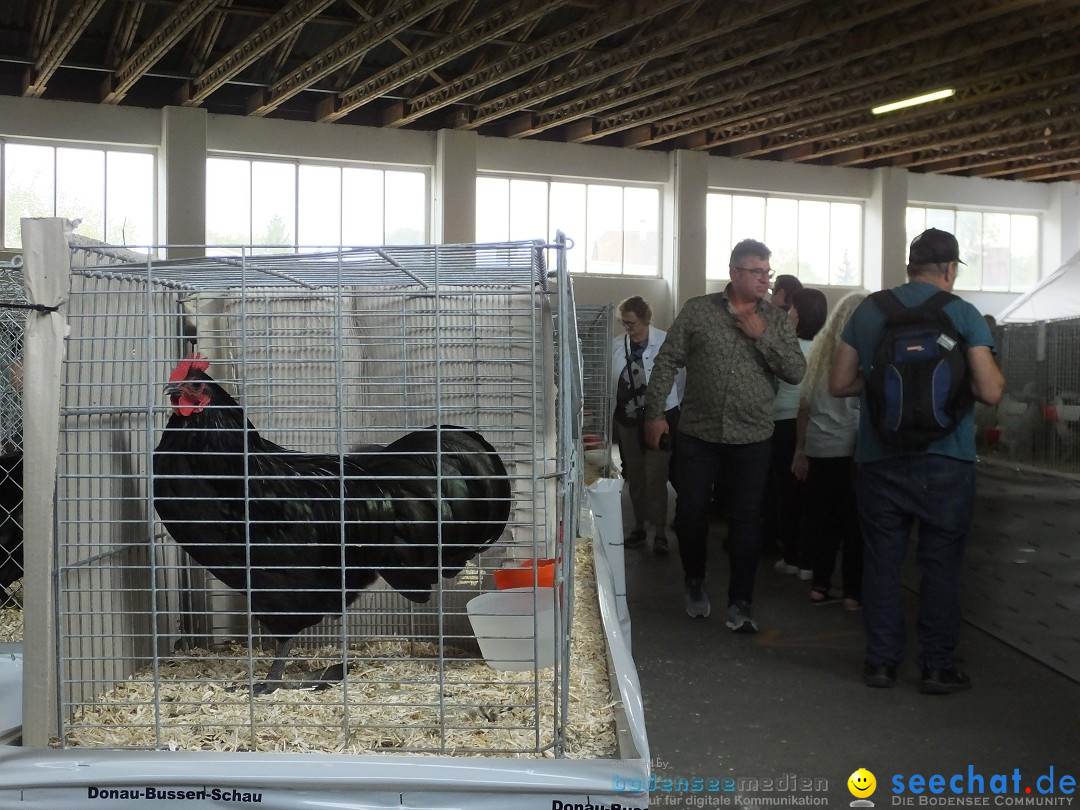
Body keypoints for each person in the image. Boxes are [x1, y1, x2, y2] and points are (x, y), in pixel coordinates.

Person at [829, 228, 1005, 693]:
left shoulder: (870, 311)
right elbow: (990, 391)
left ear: (910, 266)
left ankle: (882, 664)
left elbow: (839, 383)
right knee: (940, 565)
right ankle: (936, 667)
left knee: (882, 564)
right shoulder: (962, 313)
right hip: (946, 461)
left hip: (880, 460)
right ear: (949, 269)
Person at [643, 239, 806, 631]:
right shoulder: (699, 311)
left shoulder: (776, 320)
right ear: (734, 273)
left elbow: (796, 372)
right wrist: (654, 413)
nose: (765, 280)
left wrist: (761, 336)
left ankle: (741, 604)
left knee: (748, 520)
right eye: (757, 272)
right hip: (699, 433)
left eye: (768, 272)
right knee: (691, 514)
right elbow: (667, 360)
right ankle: (695, 579)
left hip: (752, 437)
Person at [792, 290, 867, 610]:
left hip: (820, 449)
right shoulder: (863, 353)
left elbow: (804, 408)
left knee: (823, 522)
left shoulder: (818, 353)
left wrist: (799, 449)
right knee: (855, 525)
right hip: (855, 452)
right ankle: (852, 592)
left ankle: (820, 585)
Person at [611, 296, 685, 555]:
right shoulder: (617, 345)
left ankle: (660, 531)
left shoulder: (665, 341)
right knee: (636, 475)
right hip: (628, 420)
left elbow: (679, 381)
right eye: (624, 322)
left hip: (659, 419)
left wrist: (670, 411)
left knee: (657, 475)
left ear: (644, 319)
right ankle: (639, 527)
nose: (627, 327)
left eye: (631, 322)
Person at [768, 286, 826, 579]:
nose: (788, 313)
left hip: (785, 424)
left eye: (791, 309)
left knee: (787, 494)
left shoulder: (787, 345)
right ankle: (809, 560)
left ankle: (791, 556)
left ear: (800, 313)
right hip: (815, 426)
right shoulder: (825, 347)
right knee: (810, 496)